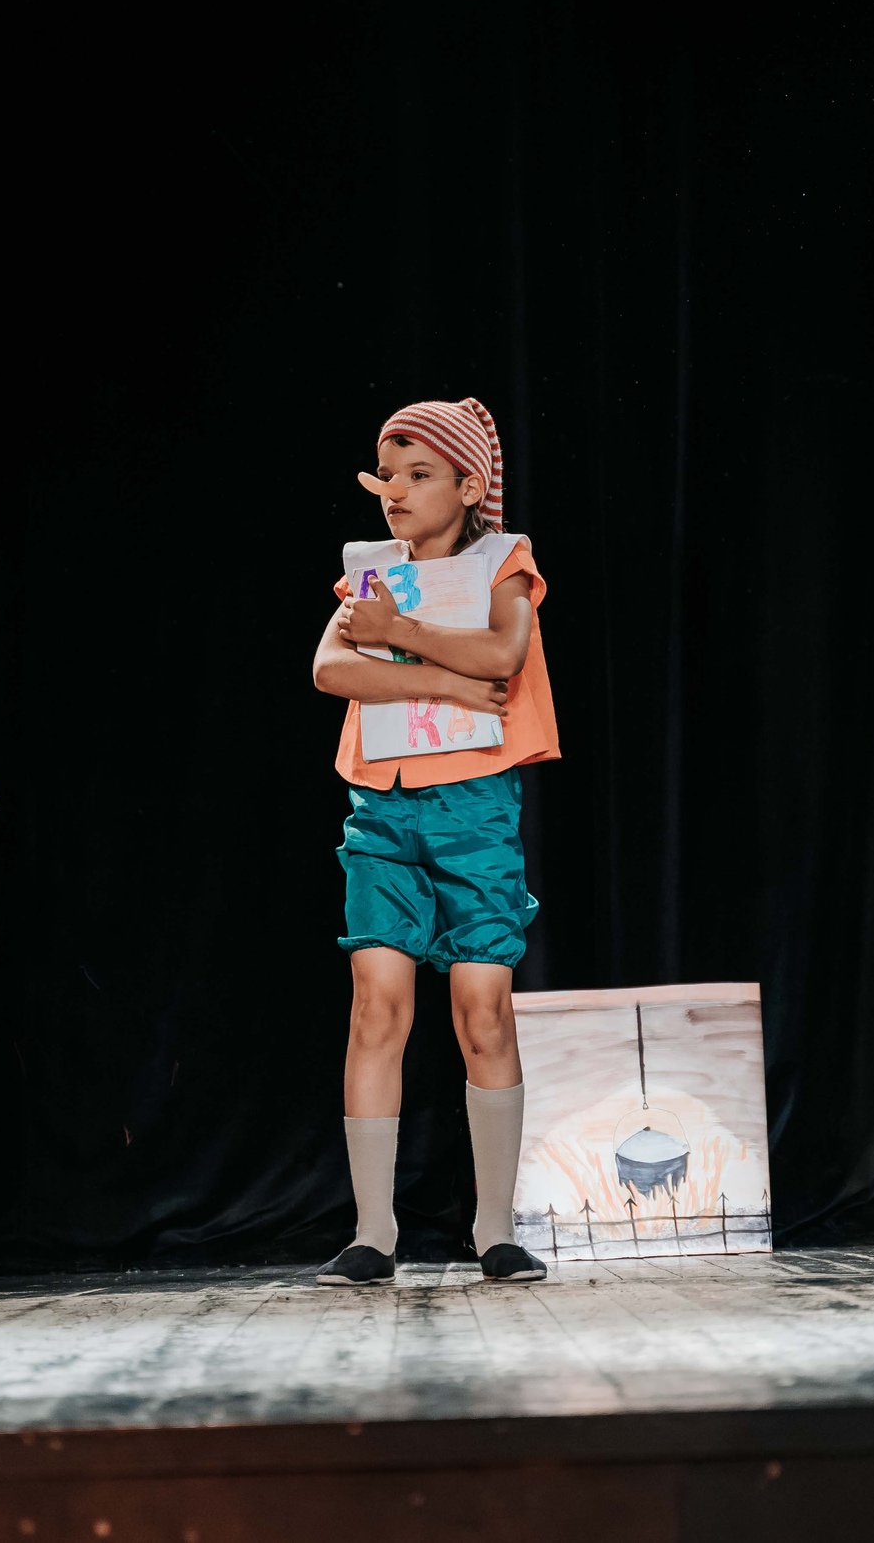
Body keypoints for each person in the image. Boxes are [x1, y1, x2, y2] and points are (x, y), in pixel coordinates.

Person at [308, 398, 559, 1285]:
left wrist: (403, 639)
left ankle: (496, 1227)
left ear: (467, 483)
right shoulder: (371, 573)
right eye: (388, 474)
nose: (398, 491)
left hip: (474, 809)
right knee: (376, 1006)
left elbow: (504, 653)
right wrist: (441, 682)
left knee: (482, 1007)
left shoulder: (502, 558)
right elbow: (330, 667)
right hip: (383, 806)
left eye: (419, 474)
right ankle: (372, 1230)